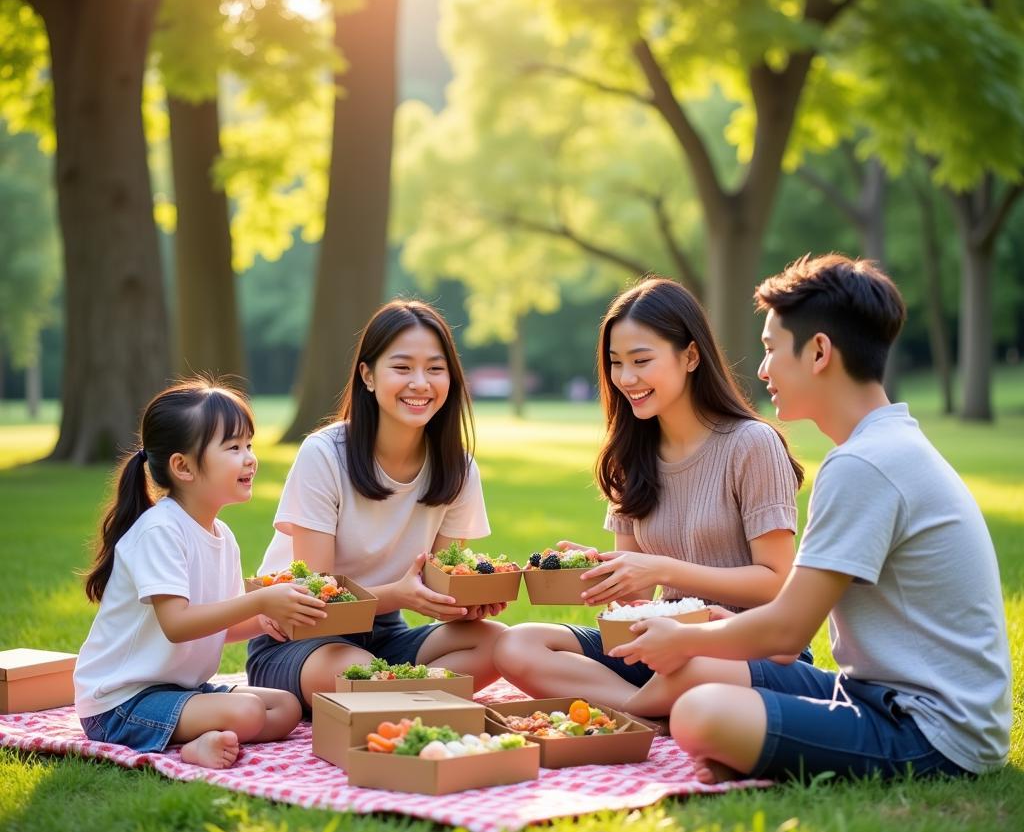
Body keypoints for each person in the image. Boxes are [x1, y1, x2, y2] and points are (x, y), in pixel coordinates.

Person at [612, 254, 1012, 783]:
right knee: (698, 679)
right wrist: (709, 628)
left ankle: (730, 743)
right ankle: (739, 745)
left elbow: (787, 630)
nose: (761, 370)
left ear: (819, 351)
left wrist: (681, 638)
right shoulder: (880, 445)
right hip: (868, 693)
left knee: (698, 711)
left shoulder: (865, 463)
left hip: (931, 730)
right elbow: (793, 622)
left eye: (771, 349)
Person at [494, 277, 804, 714]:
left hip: (741, 643)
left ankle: (642, 709)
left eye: (641, 360)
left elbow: (775, 584)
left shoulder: (751, 444)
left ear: (691, 356)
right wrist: (608, 573)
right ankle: (649, 710)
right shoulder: (630, 453)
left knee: (695, 669)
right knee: (516, 644)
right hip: (660, 640)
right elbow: (634, 597)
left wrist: (661, 568)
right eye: (616, 363)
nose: (625, 378)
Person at [246, 300, 506, 713]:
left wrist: (466, 602)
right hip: (302, 641)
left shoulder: (459, 469)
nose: (420, 383)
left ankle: (398, 699)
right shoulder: (325, 455)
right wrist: (402, 595)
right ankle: (415, 698)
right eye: (402, 368)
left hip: (385, 635)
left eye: (435, 369)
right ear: (368, 375)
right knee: (358, 671)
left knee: (499, 642)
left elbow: (437, 581)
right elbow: (318, 600)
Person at [75, 380, 320, 769]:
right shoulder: (161, 531)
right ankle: (193, 748)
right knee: (249, 714)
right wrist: (258, 599)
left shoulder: (223, 536)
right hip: (122, 701)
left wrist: (265, 621)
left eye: (250, 445)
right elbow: (177, 625)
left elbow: (214, 626)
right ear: (183, 466)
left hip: (179, 689)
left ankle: (200, 732)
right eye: (233, 448)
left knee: (286, 706)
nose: (250, 458)